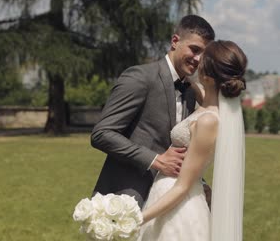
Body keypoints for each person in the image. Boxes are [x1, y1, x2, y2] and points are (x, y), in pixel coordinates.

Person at [90, 15, 215, 208]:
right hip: (127, 198)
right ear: (175, 41)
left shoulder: (190, 92)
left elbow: (183, 148)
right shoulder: (140, 77)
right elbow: (101, 134)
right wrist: (155, 160)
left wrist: (200, 183)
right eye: (194, 49)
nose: (198, 59)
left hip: (168, 203)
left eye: (203, 54)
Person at [138, 40, 247, 241]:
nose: (196, 62)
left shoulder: (208, 121)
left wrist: (138, 218)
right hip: (166, 196)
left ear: (207, 75)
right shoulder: (209, 106)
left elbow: (183, 186)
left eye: (201, 60)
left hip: (179, 207)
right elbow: (204, 95)